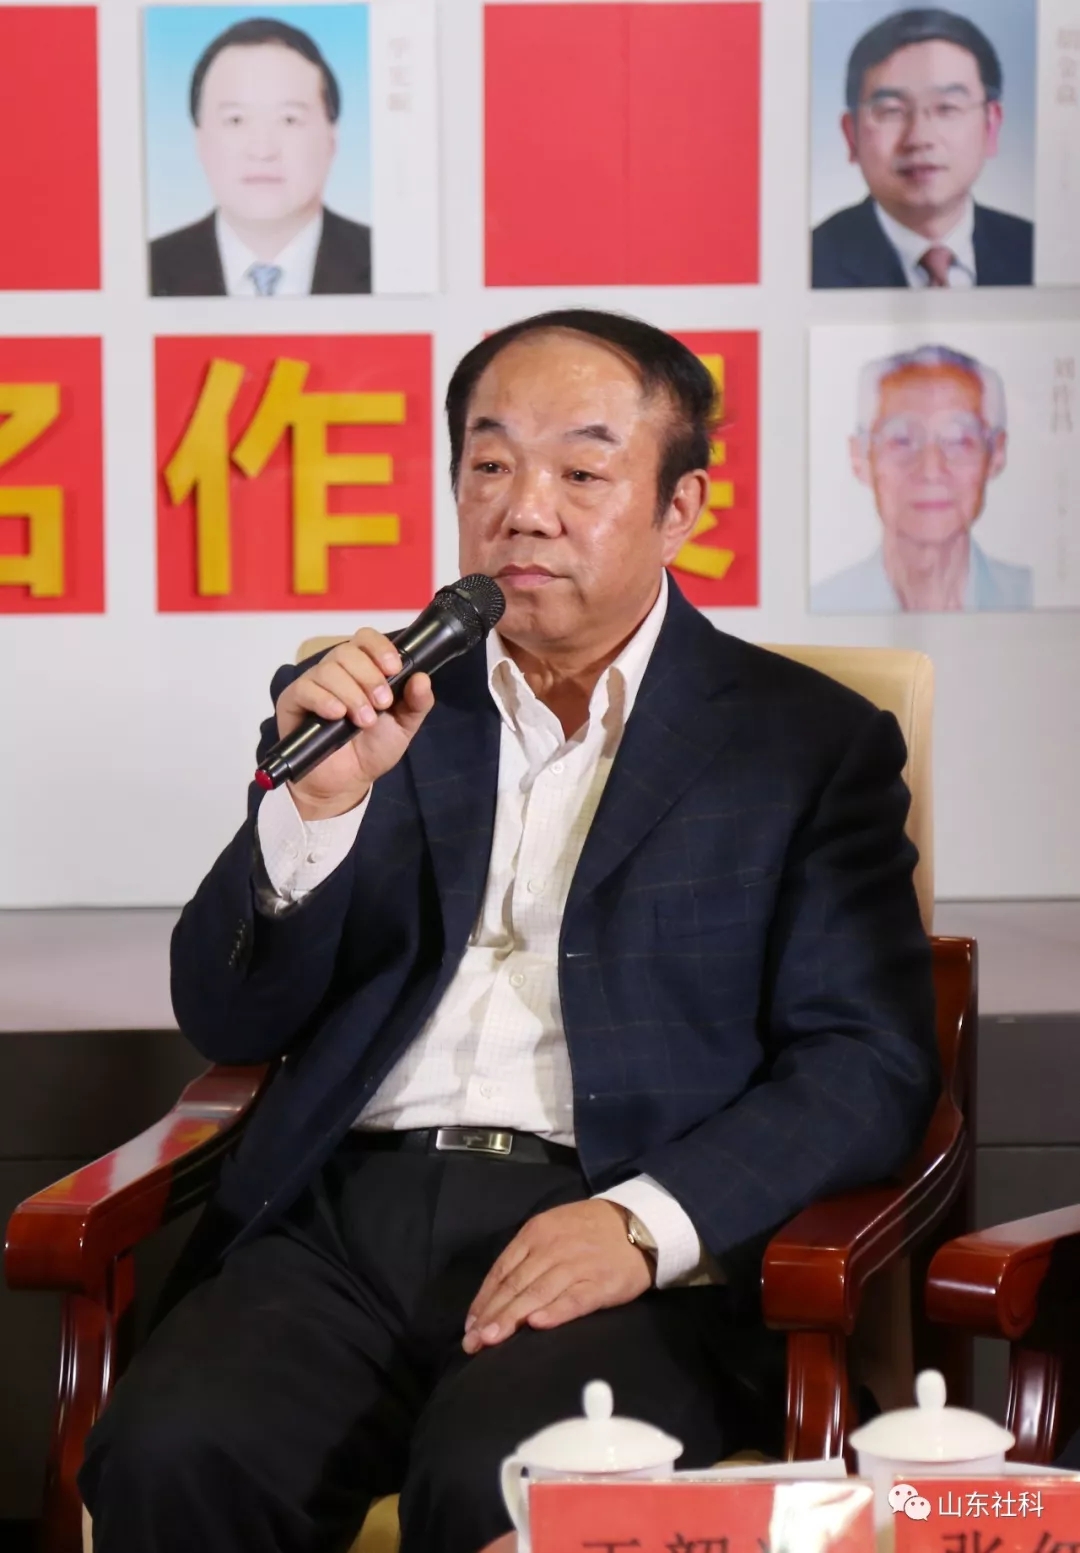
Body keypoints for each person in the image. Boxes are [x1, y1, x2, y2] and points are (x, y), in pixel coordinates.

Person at [80, 310, 938, 1553]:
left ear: (680, 506)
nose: (524, 510)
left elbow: (868, 1061)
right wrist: (315, 811)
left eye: (582, 472)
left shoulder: (805, 740)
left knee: (510, 1479)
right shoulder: (375, 703)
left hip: (612, 1217)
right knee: (174, 1454)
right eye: (490, 464)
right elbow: (227, 1013)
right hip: (343, 1218)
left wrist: (645, 1222)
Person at [150, 17, 371, 297]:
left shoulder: (390, 260)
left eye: (289, 120)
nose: (263, 151)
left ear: (332, 138)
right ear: (200, 140)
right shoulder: (146, 268)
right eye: (236, 120)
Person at [812, 8, 1033, 289]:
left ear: (990, 126)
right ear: (851, 135)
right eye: (891, 110)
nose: (919, 138)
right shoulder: (808, 263)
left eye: (947, 108)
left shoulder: (1034, 251)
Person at [812, 344, 1032, 613]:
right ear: (861, 458)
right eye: (901, 440)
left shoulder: (1031, 596)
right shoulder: (825, 605)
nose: (931, 471)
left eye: (958, 440)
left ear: (996, 454)